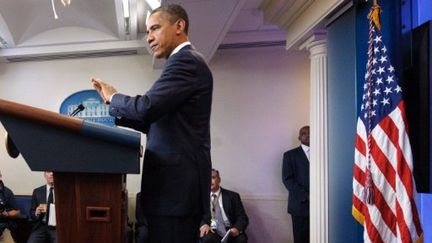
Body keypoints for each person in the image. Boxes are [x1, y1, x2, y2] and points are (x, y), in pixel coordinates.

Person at [91, 4, 213, 243]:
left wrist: (115, 96)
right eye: (147, 32)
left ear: (179, 26)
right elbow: (155, 122)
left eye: (154, 28)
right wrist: (112, 106)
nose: (149, 38)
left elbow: (146, 107)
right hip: (172, 192)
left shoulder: (185, 62)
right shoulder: (183, 63)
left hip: (175, 191)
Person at [199, 169, 249, 243]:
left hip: (230, 229)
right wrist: (203, 225)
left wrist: (236, 228)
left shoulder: (233, 196)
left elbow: (242, 217)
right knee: (207, 239)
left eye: (213, 177)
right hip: (211, 229)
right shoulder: (200, 198)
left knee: (241, 240)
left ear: (219, 180)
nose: (210, 181)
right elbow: (195, 216)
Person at [282, 125, 310, 243]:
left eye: (310, 133)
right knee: (301, 239)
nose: (308, 135)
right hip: (300, 205)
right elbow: (287, 179)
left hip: (321, 206)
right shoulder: (290, 155)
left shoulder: (324, 153)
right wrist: (305, 195)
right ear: (299, 137)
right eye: (304, 133)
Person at [27, 171, 56, 243]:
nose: (51, 174)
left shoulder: (63, 191)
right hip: (41, 226)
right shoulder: (37, 191)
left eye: (53, 172)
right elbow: (32, 212)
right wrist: (36, 213)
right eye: (48, 171)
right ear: (44, 175)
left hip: (57, 228)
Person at [0, 171, 20, 243]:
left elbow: (17, 212)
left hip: (3, 226)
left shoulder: (7, 192)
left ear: (0, 177)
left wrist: (6, 214)